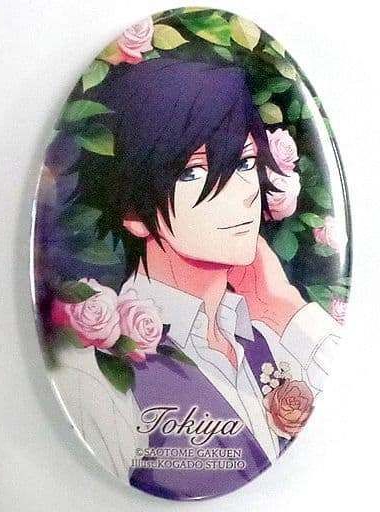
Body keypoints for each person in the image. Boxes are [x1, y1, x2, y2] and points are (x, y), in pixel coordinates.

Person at [52, 58, 341, 500]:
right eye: (192, 172)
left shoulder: (267, 334)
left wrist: (285, 310)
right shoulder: (96, 373)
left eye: (245, 162)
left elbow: (351, 433)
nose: (240, 194)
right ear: (133, 212)